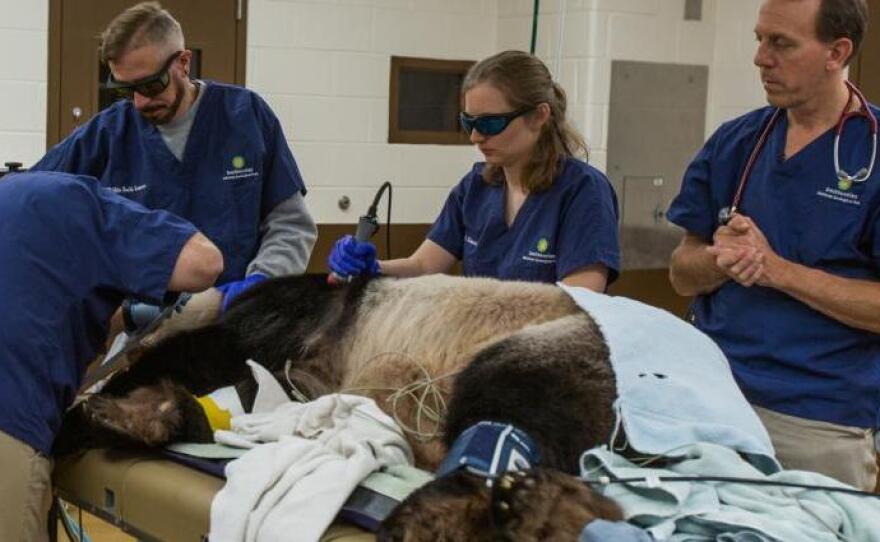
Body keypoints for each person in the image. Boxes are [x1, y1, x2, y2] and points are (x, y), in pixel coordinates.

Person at [667, 0, 878, 490]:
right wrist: (720, 260)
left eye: (781, 43)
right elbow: (681, 271)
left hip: (818, 419)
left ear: (836, 52)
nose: (761, 57)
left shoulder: (872, 154)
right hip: (710, 400)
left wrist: (775, 269)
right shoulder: (736, 142)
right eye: (760, 39)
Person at [31, 1, 317, 311]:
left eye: (151, 85)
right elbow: (30, 199)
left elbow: (290, 225)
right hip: (140, 324)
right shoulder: (106, 135)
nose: (139, 103)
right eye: (126, 90)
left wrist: (260, 286)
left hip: (237, 316)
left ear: (183, 63)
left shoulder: (246, 117)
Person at [0, 170, 223, 541]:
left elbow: (40, 307)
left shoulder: (15, 205)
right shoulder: (79, 199)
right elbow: (204, 263)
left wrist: (121, 318)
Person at [328, 50, 619, 291]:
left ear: (539, 116)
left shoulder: (583, 191)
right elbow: (424, 267)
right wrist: (373, 269)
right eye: (469, 123)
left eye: (490, 124)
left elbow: (580, 299)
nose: (476, 137)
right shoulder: (476, 187)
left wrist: (485, 315)